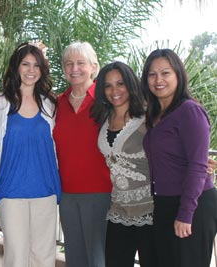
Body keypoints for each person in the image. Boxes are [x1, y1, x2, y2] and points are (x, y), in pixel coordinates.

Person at [0, 42, 61, 267]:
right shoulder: (0, 103)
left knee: (43, 257)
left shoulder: (51, 104)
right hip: (11, 191)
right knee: (16, 257)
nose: (31, 70)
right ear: (16, 67)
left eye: (36, 65)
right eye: (25, 64)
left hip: (45, 189)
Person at [141, 49, 217, 267]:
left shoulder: (190, 111)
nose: (158, 80)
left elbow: (197, 165)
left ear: (178, 75)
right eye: (152, 75)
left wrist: (185, 214)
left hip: (193, 205)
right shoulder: (154, 114)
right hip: (164, 203)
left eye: (165, 73)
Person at [90, 61, 156, 267]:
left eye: (120, 83)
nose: (114, 90)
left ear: (130, 84)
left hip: (151, 210)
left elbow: (171, 146)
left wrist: (196, 160)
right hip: (118, 209)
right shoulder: (104, 119)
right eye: (108, 86)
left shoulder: (148, 117)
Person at [52, 41, 111, 267]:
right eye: (69, 64)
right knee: (74, 258)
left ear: (94, 67)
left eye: (80, 63)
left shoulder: (106, 101)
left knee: (98, 259)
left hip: (101, 192)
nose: (74, 68)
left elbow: (141, 126)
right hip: (67, 195)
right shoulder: (57, 103)